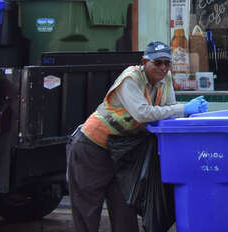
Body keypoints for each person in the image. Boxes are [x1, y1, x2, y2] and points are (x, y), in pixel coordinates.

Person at [67, 41, 209, 232]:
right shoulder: (131, 79)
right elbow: (142, 113)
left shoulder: (165, 79)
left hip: (123, 152)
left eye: (167, 63)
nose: (163, 68)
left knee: (125, 210)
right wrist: (184, 108)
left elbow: (168, 110)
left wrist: (186, 112)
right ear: (144, 62)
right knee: (87, 211)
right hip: (92, 148)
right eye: (157, 62)